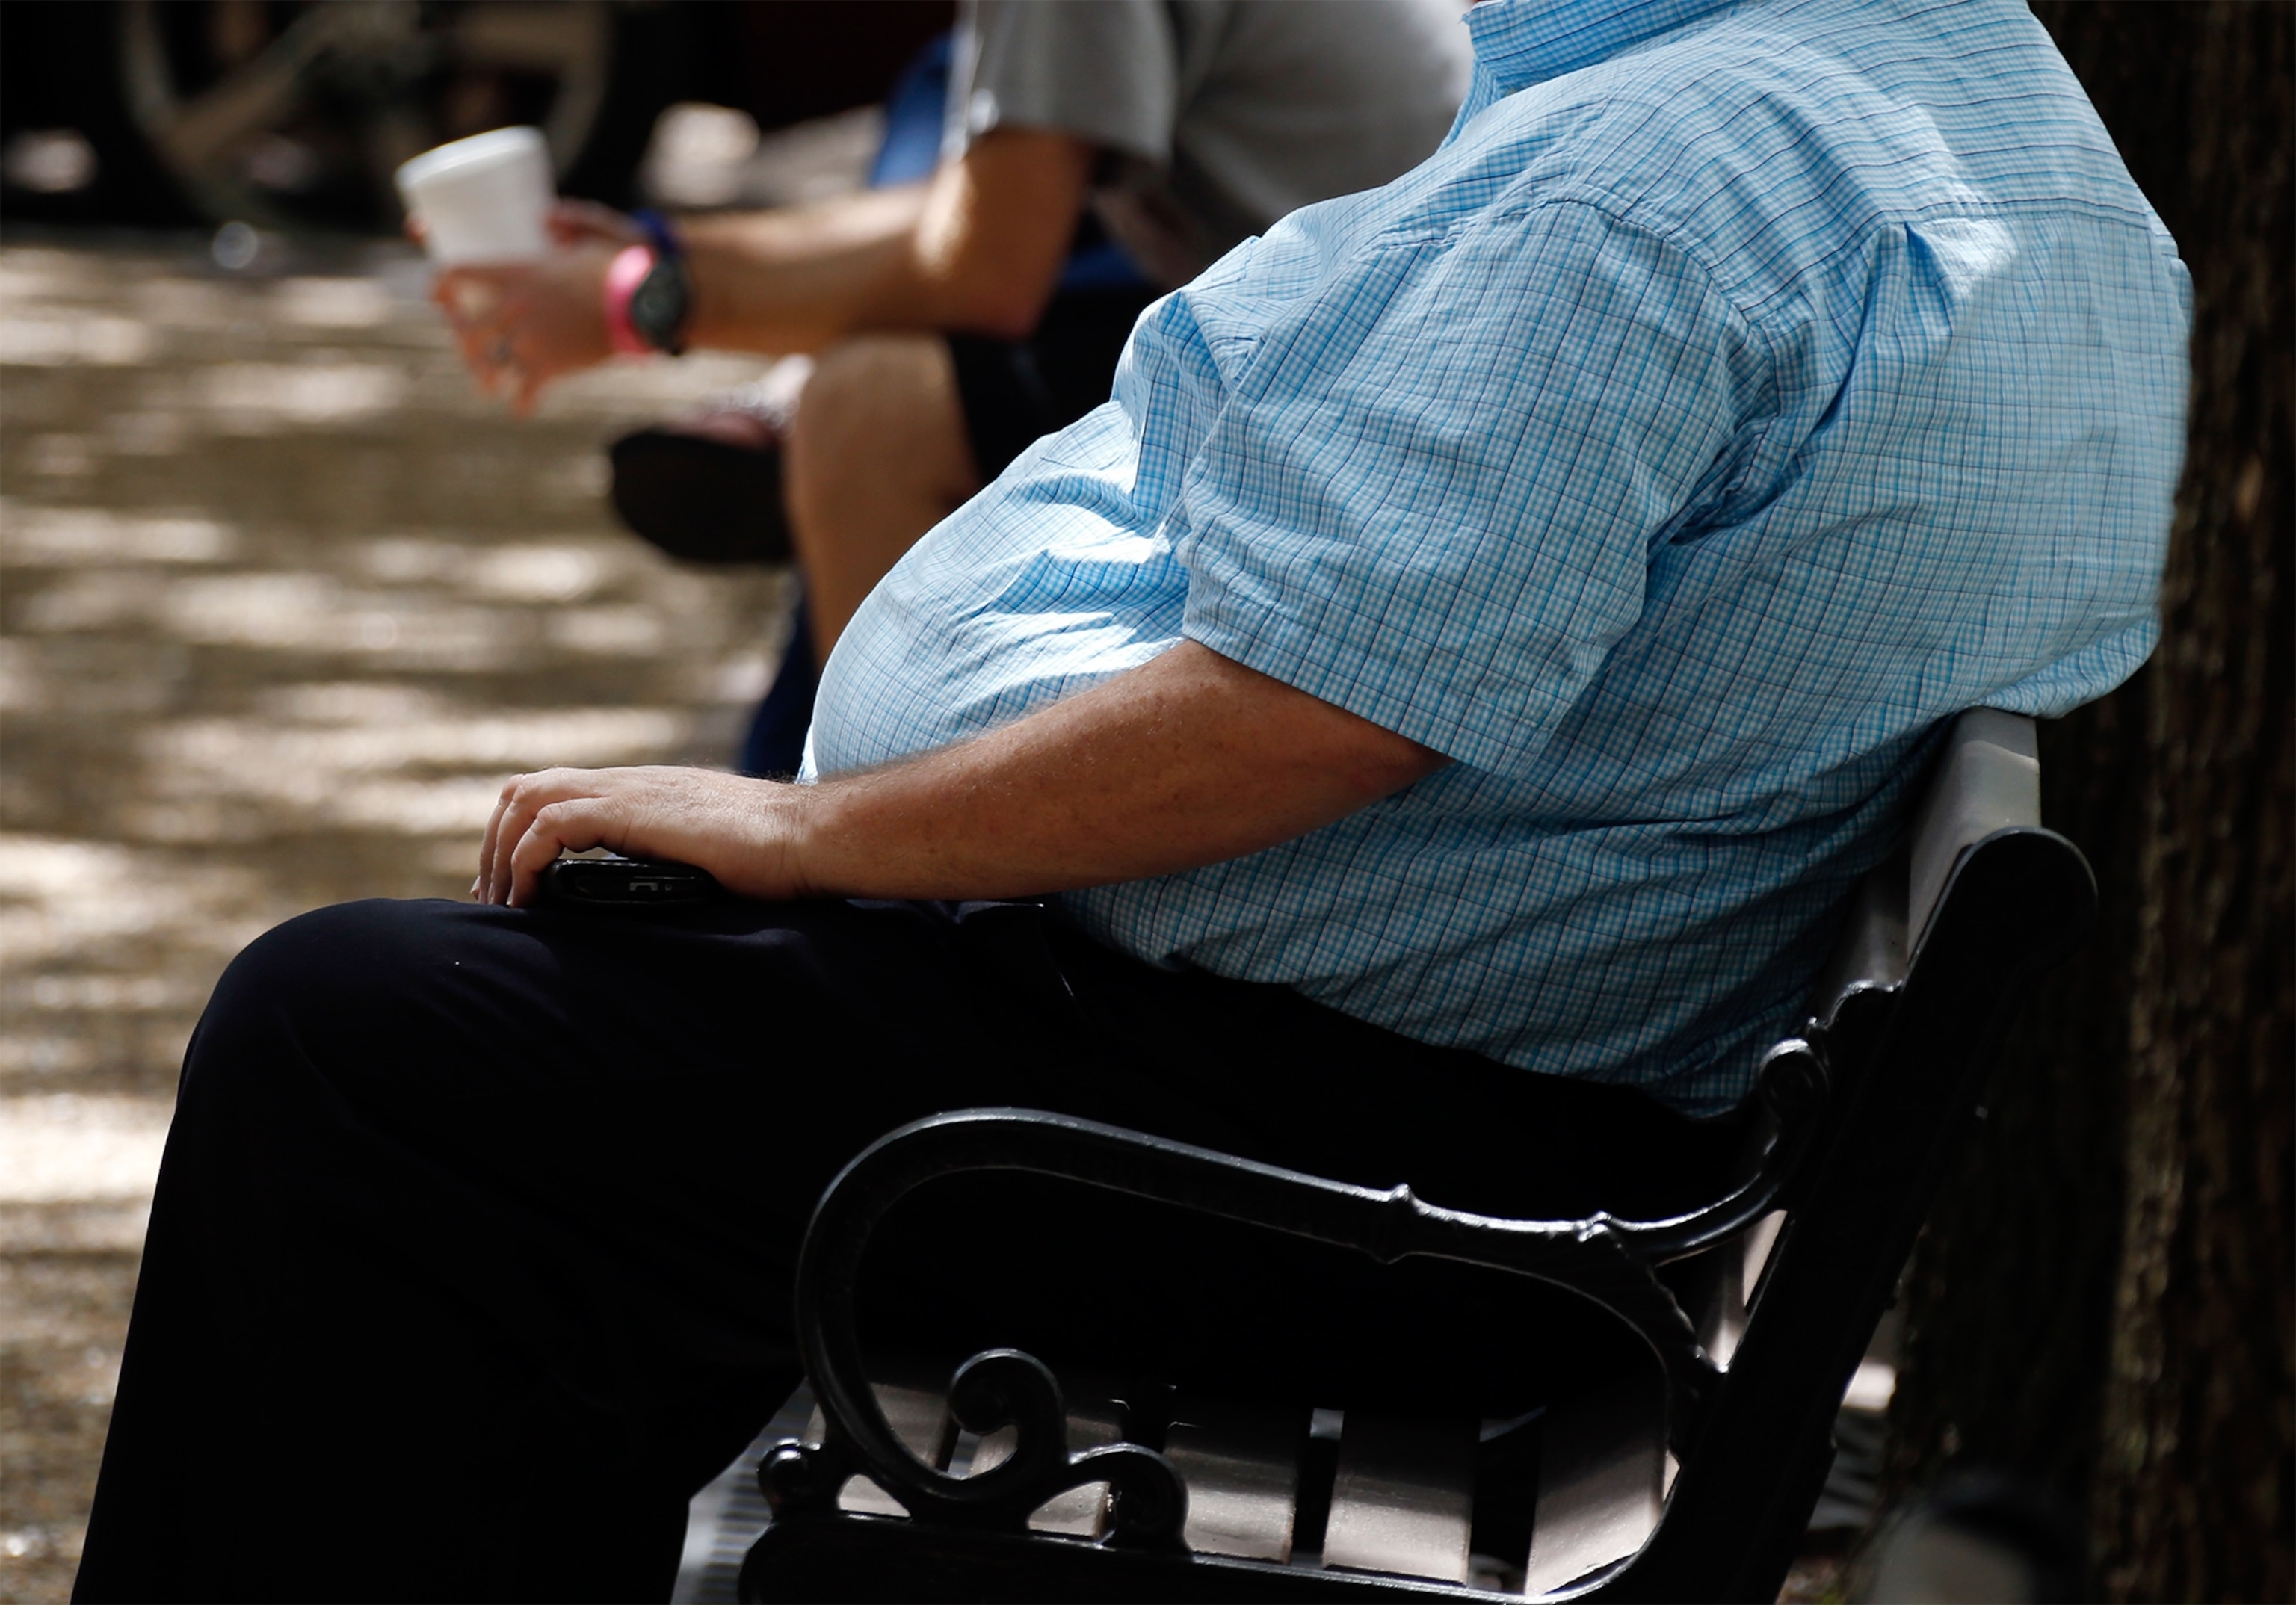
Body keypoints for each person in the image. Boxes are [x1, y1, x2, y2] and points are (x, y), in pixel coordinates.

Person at [76, 0, 2188, 1599]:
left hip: (1352, 1172)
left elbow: (1320, 707)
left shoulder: (1666, 181)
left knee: (355, 1039)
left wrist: (816, 829)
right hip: (1521, 1123)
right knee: (545, 1018)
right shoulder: (2031, 148)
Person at [437, 0, 1473, 773]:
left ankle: (884, 904)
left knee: (878, 404)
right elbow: (971, 208)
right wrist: (666, 260)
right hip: (1370, 343)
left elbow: (986, 269)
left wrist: (644, 300)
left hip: (1386, 392)